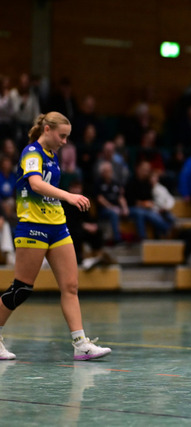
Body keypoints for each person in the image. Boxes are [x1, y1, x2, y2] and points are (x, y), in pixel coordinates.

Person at [0, 112, 111, 360]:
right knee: (22, 288)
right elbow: (36, 184)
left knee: (70, 286)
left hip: (57, 226)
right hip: (33, 225)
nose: (64, 141)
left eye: (67, 137)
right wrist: (69, 196)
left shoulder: (52, 155)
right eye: (62, 136)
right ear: (47, 129)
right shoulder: (32, 152)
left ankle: (80, 344)